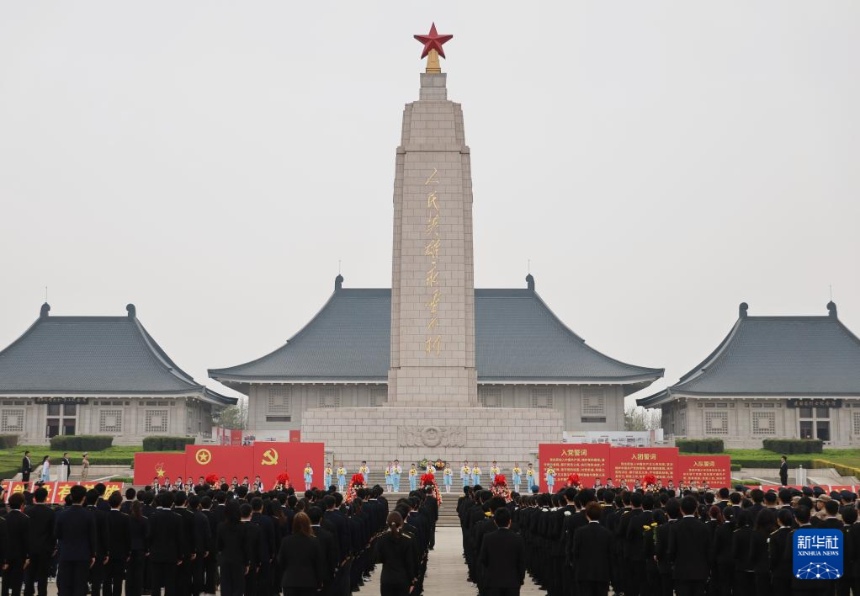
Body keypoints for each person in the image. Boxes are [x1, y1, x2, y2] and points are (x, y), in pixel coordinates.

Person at [55, 485, 96, 596]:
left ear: (71, 497)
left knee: (65, 585)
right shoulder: (88, 515)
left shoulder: (62, 515)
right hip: (83, 555)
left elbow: (57, 534)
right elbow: (92, 536)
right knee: (80, 585)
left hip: (66, 553)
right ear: (84, 498)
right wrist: (93, 554)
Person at [667, 496, 711, 596]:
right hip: (700, 572)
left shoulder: (675, 527)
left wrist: (673, 563)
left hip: (681, 572)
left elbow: (671, 550)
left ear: (681, 509)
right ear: (696, 508)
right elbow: (708, 550)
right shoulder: (704, 527)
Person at [478, 507, 525, 596]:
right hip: (512, 582)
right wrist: (520, 579)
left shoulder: (487, 538)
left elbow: (483, 559)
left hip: (493, 582)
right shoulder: (518, 538)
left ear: (495, 522)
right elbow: (521, 562)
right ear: (510, 521)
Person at [278, 511, 325, 596]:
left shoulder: (286, 541)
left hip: (290, 581)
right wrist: (319, 581)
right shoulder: (314, 541)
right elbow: (318, 563)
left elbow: (281, 561)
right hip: (309, 581)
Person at [571, 502, 613, 596]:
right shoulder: (607, 533)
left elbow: (575, 552)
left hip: (584, 573)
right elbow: (610, 555)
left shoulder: (579, 532)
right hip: (602, 573)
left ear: (587, 515)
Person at [374, 512, 416, 596]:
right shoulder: (407, 539)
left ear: (387, 523)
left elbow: (377, 558)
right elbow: (409, 562)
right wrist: (412, 580)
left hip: (387, 578)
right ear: (401, 523)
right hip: (403, 578)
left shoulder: (382, 539)